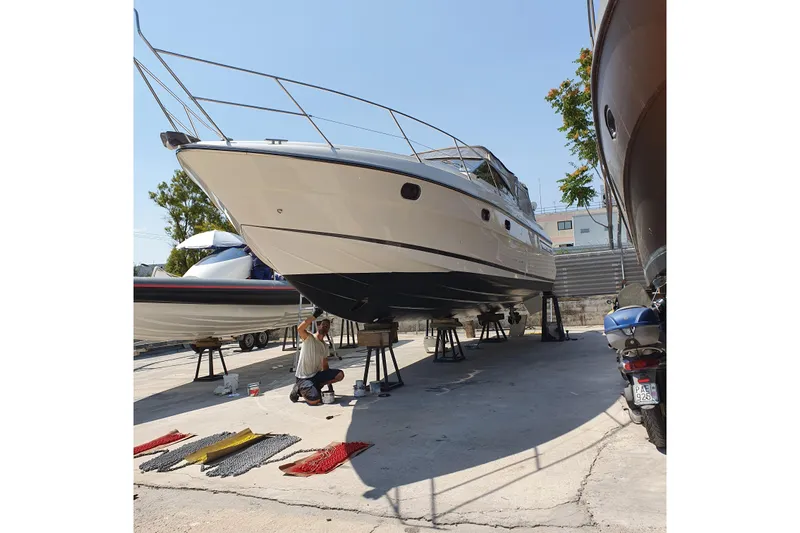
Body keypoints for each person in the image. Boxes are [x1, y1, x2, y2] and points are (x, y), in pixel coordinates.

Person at [289, 308, 344, 404]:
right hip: (304, 377)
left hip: (316, 376)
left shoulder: (325, 346)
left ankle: (315, 387)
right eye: (323, 325)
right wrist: (314, 316)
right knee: (316, 400)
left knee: (340, 375)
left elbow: (325, 366)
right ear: (319, 326)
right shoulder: (309, 338)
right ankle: (299, 389)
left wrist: (329, 385)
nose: (325, 327)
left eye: (327, 326)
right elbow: (300, 329)